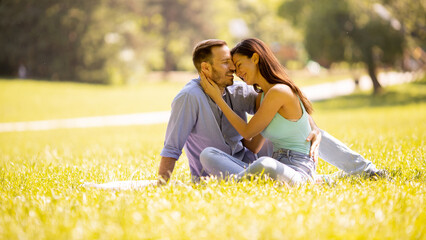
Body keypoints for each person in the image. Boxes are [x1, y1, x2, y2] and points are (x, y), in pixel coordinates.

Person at [158, 38, 384, 185]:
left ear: (255, 59)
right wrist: (162, 183)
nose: (234, 70)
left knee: (306, 138)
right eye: (227, 63)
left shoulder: (241, 91)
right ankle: (260, 179)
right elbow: (172, 147)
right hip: (224, 169)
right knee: (207, 153)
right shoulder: (189, 97)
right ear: (206, 68)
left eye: (235, 63)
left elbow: (290, 111)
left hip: (261, 163)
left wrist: (313, 128)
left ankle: (366, 170)